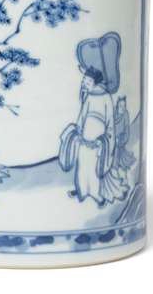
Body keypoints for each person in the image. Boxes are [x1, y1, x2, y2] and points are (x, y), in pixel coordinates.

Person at [59, 66, 128, 208]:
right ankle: (82, 190)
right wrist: (78, 130)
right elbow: (82, 115)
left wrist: (104, 139)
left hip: (98, 140)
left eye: (88, 81)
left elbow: (110, 122)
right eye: (84, 80)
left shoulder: (106, 97)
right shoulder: (89, 96)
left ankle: (97, 195)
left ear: (95, 83)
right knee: (82, 166)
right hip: (85, 137)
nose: (85, 83)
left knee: (94, 168)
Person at [113, 96, 136, 183]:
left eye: (124, 106)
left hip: (120, 142)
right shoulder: (113, 113)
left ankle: (124, 179)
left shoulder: (126, 114)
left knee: (122, 161)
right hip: (112, 141)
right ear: (117, 105)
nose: (122, 108)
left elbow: (127, 131)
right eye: (120, 106)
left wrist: (120, 140)